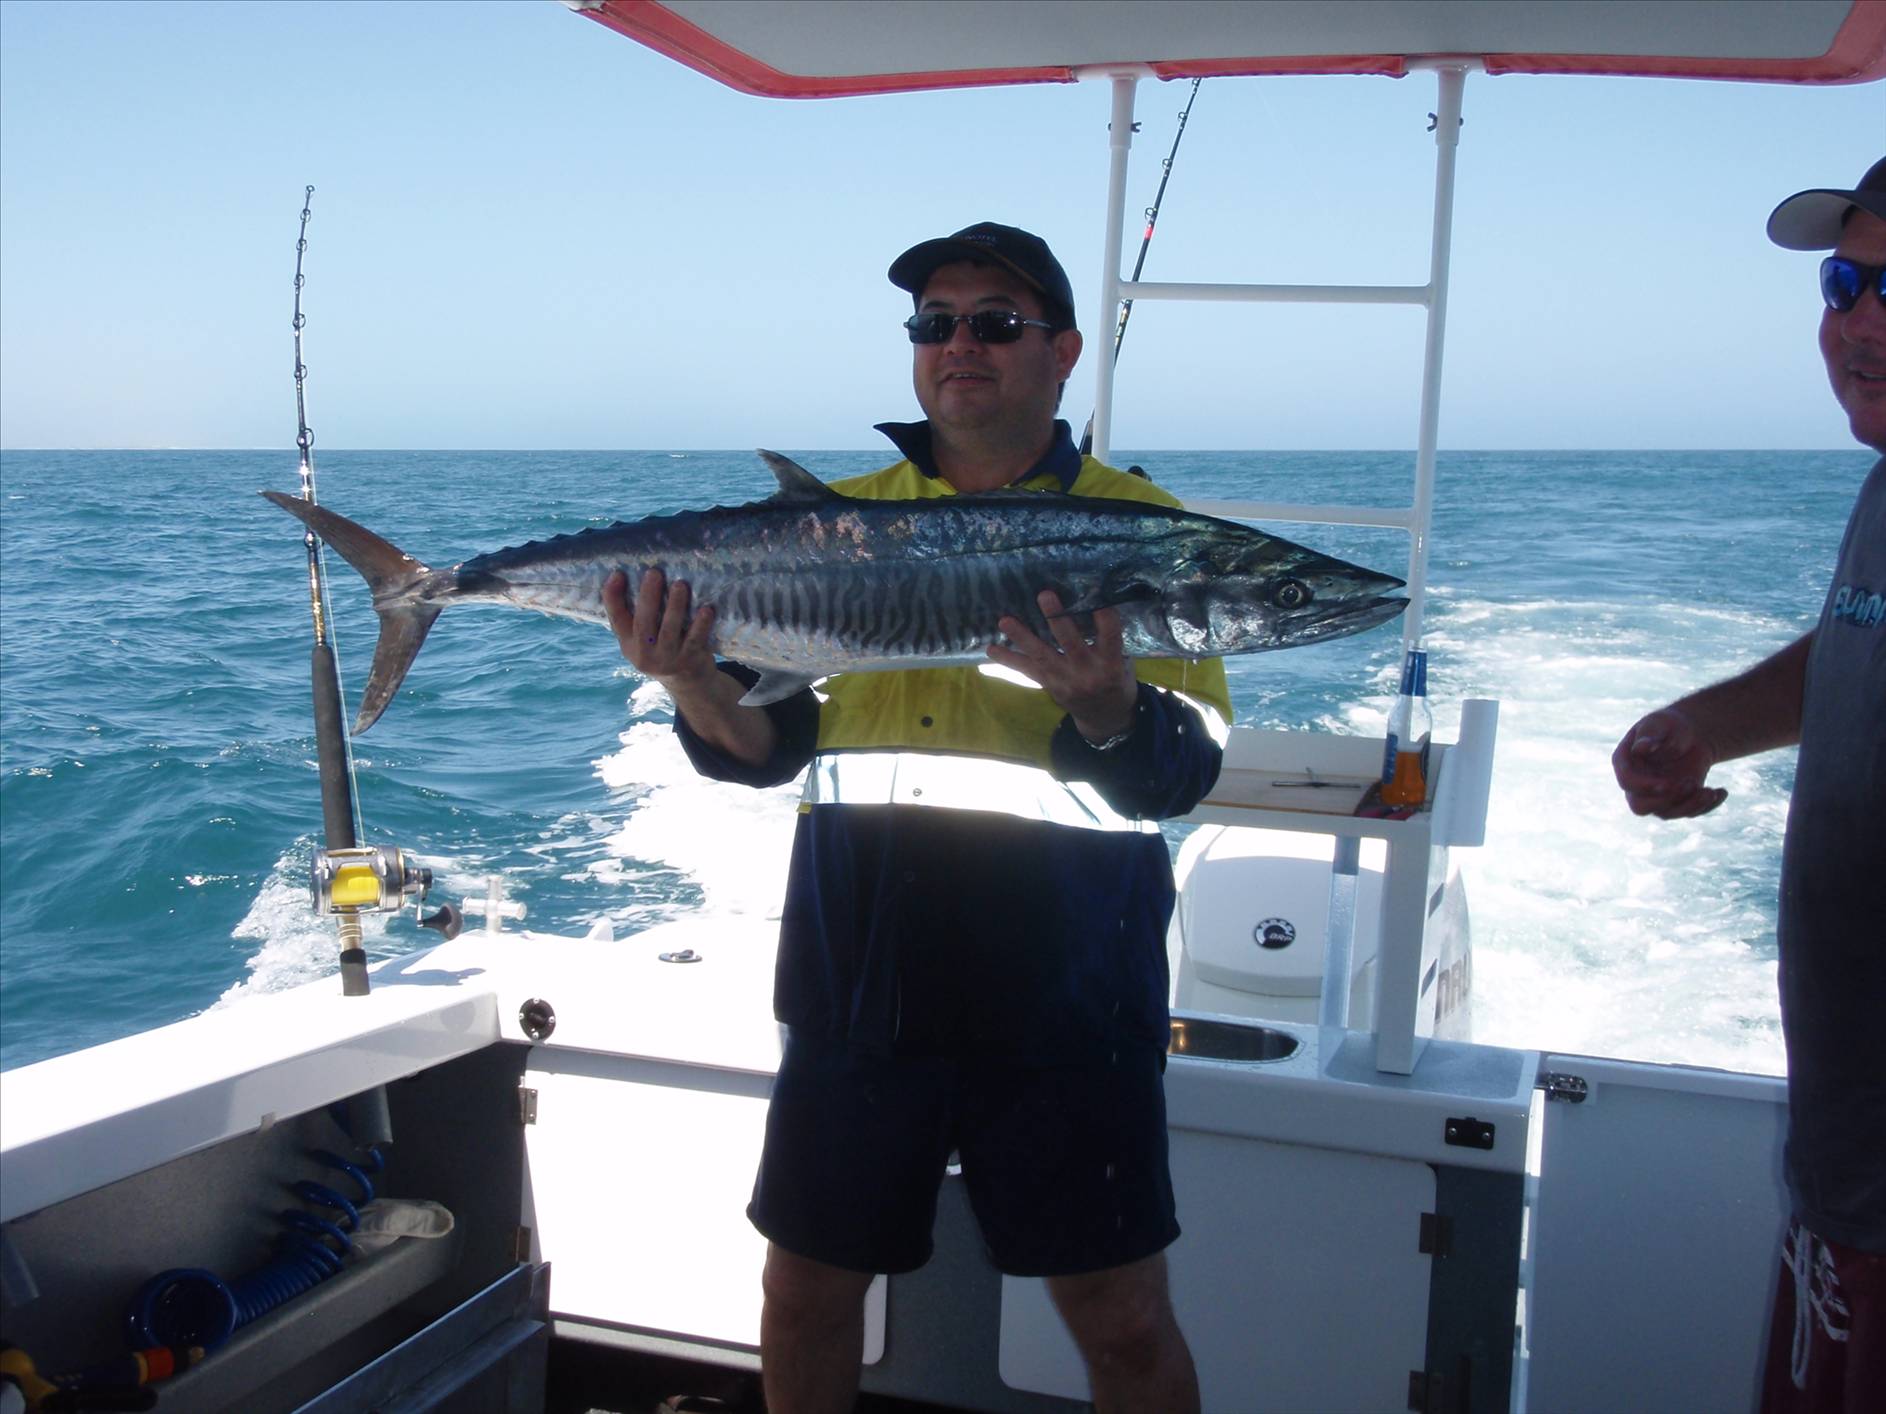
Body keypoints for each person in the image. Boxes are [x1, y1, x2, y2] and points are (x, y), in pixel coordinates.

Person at [603, 222, 1227, 1414]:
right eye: (933, 324)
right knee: (803, 1291)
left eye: (994, 322)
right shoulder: (836, 524)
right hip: (862, 972)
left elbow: (1182, 775)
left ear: (1062, 352)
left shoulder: (1140, 533)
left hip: (1066, 989)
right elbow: (764, 750)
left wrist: (1107, 708)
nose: (958, 346)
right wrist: (688, 675)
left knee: (1122, 1316)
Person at [1612, 159, 1886, 1413]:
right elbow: (1854, 641)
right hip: (1843, 1161)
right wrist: (1706, 726)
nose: (1859, 321)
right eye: (1847, 283)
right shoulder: (1883, 490)